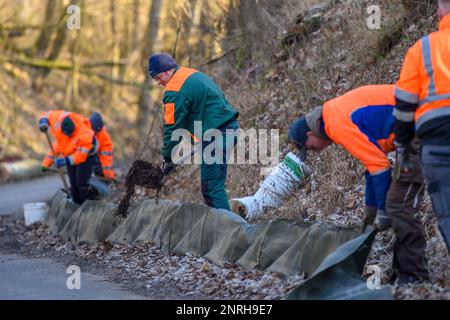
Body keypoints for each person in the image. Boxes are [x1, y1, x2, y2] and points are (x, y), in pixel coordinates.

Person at [289, 85, 397, 229]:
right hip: (413, 113)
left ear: (310, 134)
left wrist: (383, 211)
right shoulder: (332, 114)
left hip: (420, 113)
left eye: (310, 147)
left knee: (405, 198)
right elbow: (372, 163)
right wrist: (371, 209)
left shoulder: (337, 124)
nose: (316, 152)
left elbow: (379, 166)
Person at [148, 53, 239, 210]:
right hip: (228, 128)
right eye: (156, 80)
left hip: (217, 135)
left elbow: (172, 127)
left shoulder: (174, 90)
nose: (159, 83)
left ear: (167, 70)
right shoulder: (191, 74)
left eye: (158, 77)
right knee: (213, 186)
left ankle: (229, 229)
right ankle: (229, 225)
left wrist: (168, 156)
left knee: (211, 188)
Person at [393, 0, 450, 251]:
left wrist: (404, 144)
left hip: (437, 145)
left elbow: (404, 107)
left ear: (439, 13)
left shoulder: (421, 50)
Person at [39, 110, 98, 205]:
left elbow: (81, 156)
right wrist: (46, 163)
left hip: (87, 155)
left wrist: (64, 161)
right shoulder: (57, 121)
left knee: (81, 182)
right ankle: (77, 206)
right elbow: (45, 114)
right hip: (71, 154)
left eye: (69, 135)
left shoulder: (84, 133)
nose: (67, 136)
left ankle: (88, 206)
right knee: (73, 184)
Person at [89, 112, 116, 181]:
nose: (94, 133)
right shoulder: (83, 128)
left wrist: (109, 176)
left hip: (96, 161)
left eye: (96, 132)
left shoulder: (105, 139)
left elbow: (106, 160)